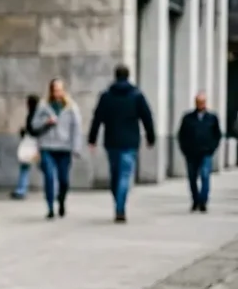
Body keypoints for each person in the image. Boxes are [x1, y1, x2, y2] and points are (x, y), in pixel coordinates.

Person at [87, 64, 156, 223]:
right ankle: (120, 207)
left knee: (115, 175)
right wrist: (150, 137)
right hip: (130, 141)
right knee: (125, 175)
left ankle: (118, 204)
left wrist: (92, 138)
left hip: (111, 141)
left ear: (115, 76)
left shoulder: (106, 96)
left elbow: (97, 118)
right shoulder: (137, 95)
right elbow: (147, 117)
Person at [28, 78, 81, 219]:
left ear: (64, 90)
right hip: (47, 147)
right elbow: (33, 125)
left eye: (59, 90)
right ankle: (50, 207)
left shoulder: (71, 107)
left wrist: (76, 147)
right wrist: (47, 122)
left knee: (63, 180)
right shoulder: (43, 106)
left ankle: (61, 201)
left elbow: (76, 128)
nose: (57, 93)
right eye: (54, 90)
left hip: (64, 148)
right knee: (50, 177)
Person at [178, 92, 223, 212]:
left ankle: (203, 201)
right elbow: (181, 135)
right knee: (192, 178)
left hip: (206, 152)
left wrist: (212, 148)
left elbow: (217, 135)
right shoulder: (188, 118)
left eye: (202, 102)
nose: (200, 104)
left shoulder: (212, 118)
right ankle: (195, 200)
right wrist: (184, 149)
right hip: (191, 153)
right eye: (198, 102)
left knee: (205, 175)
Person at [13, 94, 45, 199]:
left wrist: (26, 132)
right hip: (35, 144)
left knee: (28, 167)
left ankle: (21, 190)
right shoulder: (36, 114)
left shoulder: (34, 115)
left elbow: (35, 130)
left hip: (33, 145)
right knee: (38, 167)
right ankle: (21, 190)